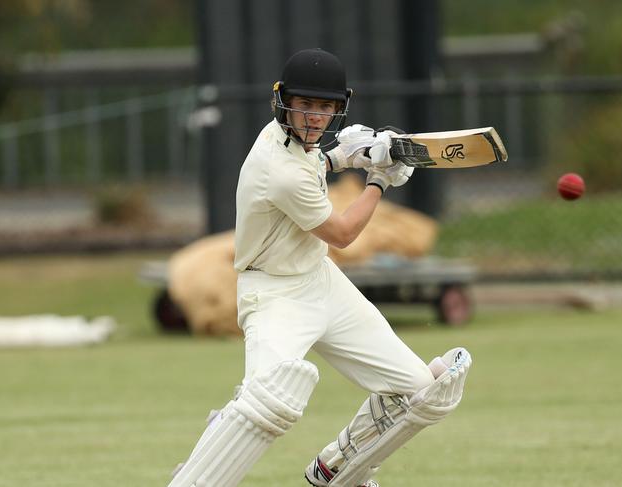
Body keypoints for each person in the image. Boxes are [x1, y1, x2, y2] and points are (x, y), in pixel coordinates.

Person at [167, 48, 471, 487]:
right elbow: (344, 233)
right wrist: (378, 179)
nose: (314, 117)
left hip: (322, 283)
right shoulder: (279, 168)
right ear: (283, 102)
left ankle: (336, 467)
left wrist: (350, 155)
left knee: (426, 394)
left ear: (338, 108)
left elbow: (316, 163)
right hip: (274, 294)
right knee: (268, 402)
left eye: (325, 107)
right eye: (304, 105)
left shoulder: (293, 145)